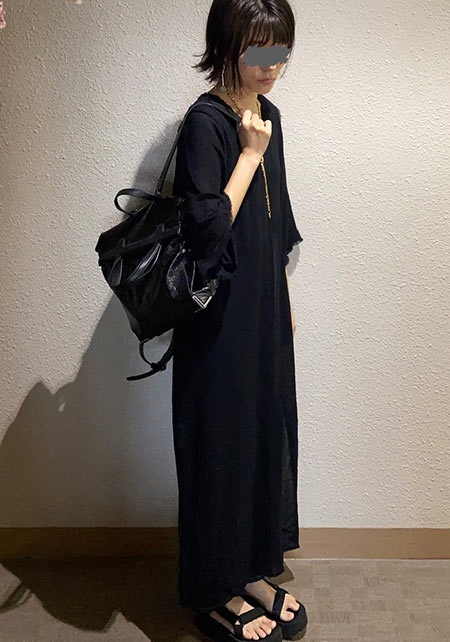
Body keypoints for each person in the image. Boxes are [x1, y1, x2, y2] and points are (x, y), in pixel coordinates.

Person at [172, 1, 307, 640]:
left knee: (261, 439)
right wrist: (250, 154)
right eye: (258, 49)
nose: (271, 65)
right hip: (219, 321)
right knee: (219, 447)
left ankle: (250, 571)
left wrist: (284, 298)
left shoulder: (270, 115)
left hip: (264, 313)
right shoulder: (206, 123)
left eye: (280, 49)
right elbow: (206, 234)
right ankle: (212, 593)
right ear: (226, 45)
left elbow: (275, 226)